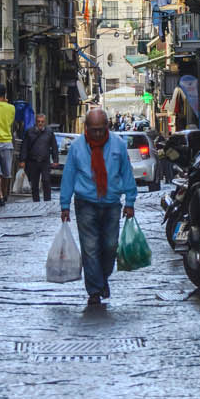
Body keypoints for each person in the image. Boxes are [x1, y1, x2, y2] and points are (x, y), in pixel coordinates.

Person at [59, 108, 138, 307]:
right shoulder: (77, 147)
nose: (97, 134)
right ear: (86, 128)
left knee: (110, 246)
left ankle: (102, 279)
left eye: (101, 130)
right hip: (85, 202)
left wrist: (130, 201)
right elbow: (68, 175)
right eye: (93, 130)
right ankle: (94, 290)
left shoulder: (118, 145)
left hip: (111, 202)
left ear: (107, 128)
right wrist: (64, 204)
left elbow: (126, 173)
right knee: (90, 248)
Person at [20, 113, 59, 203]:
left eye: (42, 122)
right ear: (35, 122)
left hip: (45, 161)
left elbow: (54, 146)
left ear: (45, 122)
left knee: (46, 180)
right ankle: (36, 201)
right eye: (38, 122)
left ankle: (47, 200)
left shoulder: (49, 132)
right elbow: (24, 146)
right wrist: (22, 160)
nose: (40, 123)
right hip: (33, 161)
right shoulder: (29, 132)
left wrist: (55, 159)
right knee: (34, 183)